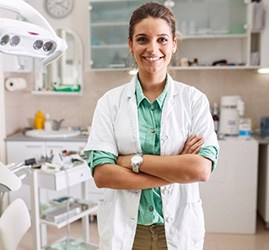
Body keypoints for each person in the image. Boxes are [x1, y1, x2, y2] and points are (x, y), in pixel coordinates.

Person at [84, 2, 219, 250]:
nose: (152, 48)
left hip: (178, 229)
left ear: (174, 44)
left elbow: (200, 170)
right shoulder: (109, 103)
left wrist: (132, 160)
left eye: (162, 39)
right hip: (127, 231)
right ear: (131, 45)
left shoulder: (194, 100)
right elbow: (103, 175)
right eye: (143, 39)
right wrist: (176, 170)